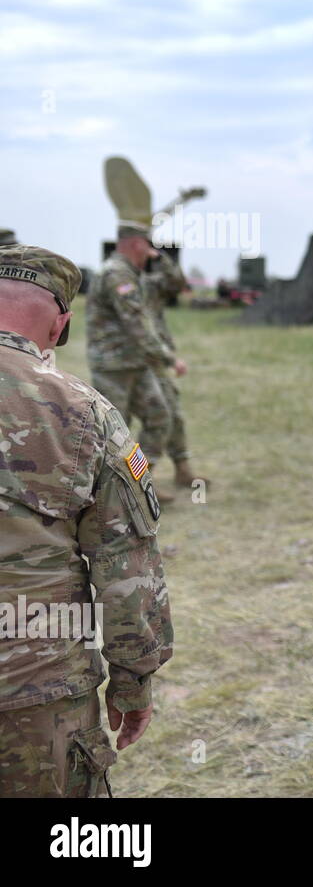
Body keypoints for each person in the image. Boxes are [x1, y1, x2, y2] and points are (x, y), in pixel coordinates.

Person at [0, 245, 173, 797]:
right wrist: (134, 682)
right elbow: (128, 565)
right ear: (60, 326)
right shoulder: (86, 412)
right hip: (33, 692)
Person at [86, 221, 187, 505]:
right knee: (114, 433)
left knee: (160, 418)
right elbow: (137, 324)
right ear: (137, 244)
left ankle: (138, 484)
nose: (150, 252)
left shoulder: (130, 274)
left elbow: (173, 287)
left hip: (136, 363)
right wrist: (169, 358)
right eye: (148, 245)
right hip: (113, 367)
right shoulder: (117, 274)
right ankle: (104, 496)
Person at [143, 248, 204, 489]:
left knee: (171, 414)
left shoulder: (149, 284)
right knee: (148, 420)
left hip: (155, 357)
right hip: (129, 362)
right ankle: (140, 482)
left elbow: (178, 281)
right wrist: (169, 359)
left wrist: (160, 258)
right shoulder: (121, 281)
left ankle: (183, 468)